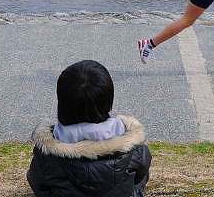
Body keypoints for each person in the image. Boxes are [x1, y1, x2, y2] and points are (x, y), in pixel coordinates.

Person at [28, 60, 152, 196]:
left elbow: (37, 183)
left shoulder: (46, 153)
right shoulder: (136, 150)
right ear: (108, 100)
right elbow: (140, 178)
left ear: (63, 104)